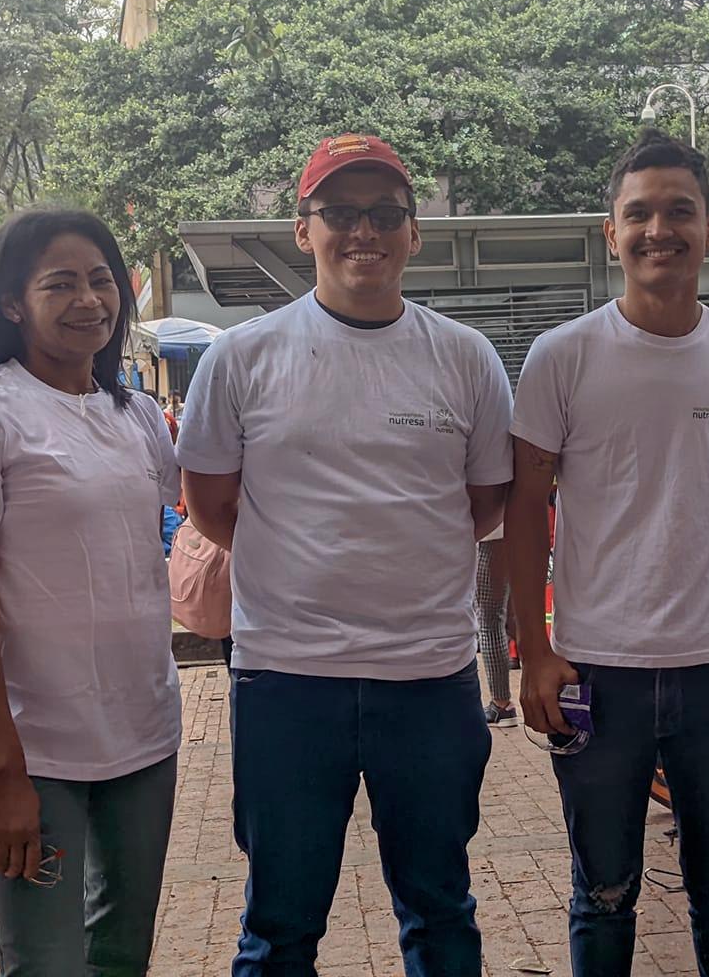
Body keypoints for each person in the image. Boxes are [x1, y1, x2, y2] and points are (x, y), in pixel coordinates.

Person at [177, 134, 512, 977]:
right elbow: (211, 506)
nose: (365, 231)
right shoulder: (241, 356)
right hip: (287, 679)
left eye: (385, 214)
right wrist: (304, 565)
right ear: (304, 229)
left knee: (441, 910)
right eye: (340, 212)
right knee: (280, 923)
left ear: (413, 233)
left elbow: (482, 507)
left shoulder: (465, 357)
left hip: (428, 677)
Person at [508, 129, 709, 977]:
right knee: (603, 893)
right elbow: (524, 510)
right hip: (596, 669)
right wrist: (535, 650)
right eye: (640, 214)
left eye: (680, 212)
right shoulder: (562, 356)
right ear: (611, 232)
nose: (660, 230)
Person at [0, 210, 183, 976]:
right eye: (59, 284)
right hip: (35, 745)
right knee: (44, 962)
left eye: (101, 280)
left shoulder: (137, 415)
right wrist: (5, 767)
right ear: (11, 302)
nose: (88, 300)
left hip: (144, 730)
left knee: (122, 954)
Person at [475, 526, 518, 726]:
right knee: (511, 617)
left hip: (492, 535)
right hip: (517, 534)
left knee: (490, 620)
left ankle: (501, 704)